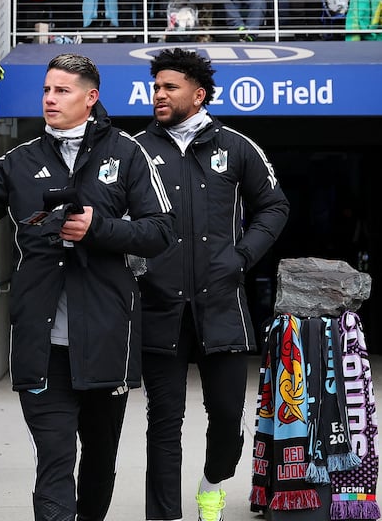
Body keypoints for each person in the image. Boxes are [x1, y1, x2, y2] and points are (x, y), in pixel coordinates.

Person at [0, 53, 174, 521]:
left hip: (106, 340)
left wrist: (98, 228)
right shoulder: (19, 161)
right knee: (54, 455)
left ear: (91, 98)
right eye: (46, 90)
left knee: (99, 460)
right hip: (41, 344)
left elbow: (161, 231)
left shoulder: (128, 153)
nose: (49, 99)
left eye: (62, 91)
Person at [134, 49, 289, 521]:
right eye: (156, 86)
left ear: (197, 94)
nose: (159, 94)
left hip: (222, 305)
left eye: (169, 87)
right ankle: (164, 514)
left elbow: (274, 207)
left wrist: (241, 256)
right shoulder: (136, 149)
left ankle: (212, 482)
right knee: (164, 421)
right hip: (159, 306)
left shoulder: (238, 147)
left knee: (226, 415)